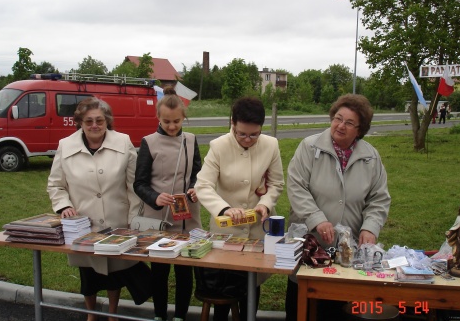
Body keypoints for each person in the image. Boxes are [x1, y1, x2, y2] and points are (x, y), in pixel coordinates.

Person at [285, 94, 391, 321]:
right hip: (309, 245)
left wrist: (370, 227)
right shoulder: (309, 147)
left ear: (360, 130)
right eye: (338, 118)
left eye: (349, 123)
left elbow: (379, 198)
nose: (340, 126)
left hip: (347, 249)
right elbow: (296, 187)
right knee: (301, 307)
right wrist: (316, 218)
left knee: (339, 307)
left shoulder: (370, 157)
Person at [47, 97, 150, 321]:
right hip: (85, 225)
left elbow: (134, 185)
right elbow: (56, 184)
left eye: (100, 121)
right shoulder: (66, 145)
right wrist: (63, 205)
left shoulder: (123, 142)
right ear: (80, 122)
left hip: (118, 222)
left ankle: (112, 314)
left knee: (115, 272)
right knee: (88, 275)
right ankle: (90, 315)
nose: (95, 125)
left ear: (107, 121)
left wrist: (134, 217)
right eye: (89, 121)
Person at [195, 97, 284, 321]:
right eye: (242, 134)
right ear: (232, 123)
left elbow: (276, 183)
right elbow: (203, 185)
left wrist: (265, 203)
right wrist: (224, 209)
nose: (247, 139)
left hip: (256, 228)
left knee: (251, 285)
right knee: (224, 287)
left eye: (254, 135)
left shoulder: (270, 145)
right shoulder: (218, 146)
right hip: (227, 230)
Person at [134, 87, 202, 321]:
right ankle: (159, 315)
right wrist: (155, 197)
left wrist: (195, 188)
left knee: (185, 271)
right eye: (166, 122)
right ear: (158, 118)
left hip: (186, 217)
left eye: (176, 121)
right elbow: (139, 183)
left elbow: (197, 174)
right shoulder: (148, 142)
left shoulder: (191, 140)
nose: (172, 126)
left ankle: (181, 315)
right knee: (159, 272)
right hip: (159, 218)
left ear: (184, 117)